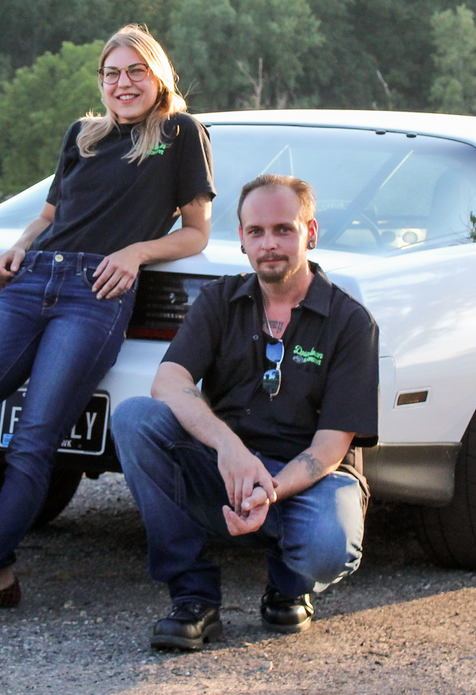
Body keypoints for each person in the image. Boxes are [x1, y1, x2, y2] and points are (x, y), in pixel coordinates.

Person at [0, 26, 215, 635]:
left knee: (33, 443)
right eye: (111, 73)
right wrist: (19, 246)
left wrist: (137, 252)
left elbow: (197, 233)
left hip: (96, 293)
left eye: (136, 71)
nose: (123, 83)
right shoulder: (82, 135)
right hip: (33, 279)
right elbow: (48, 214)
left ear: (158, 77)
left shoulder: (179, 133)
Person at [113, 173, 379, 651]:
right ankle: (192, 596)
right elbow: (168, 382)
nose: (268, 244)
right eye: (256, 231)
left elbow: (329, 449)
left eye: (283, 230)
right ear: (241, 238)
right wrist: (230, 449)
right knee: (135, 419)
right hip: (228, 468)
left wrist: (268, 491)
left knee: (328, 545)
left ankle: (289, 585)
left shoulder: (350, 323)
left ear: (310, 233)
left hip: (310, 477)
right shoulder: (220, 300)